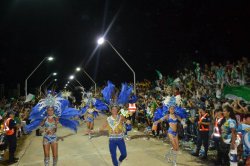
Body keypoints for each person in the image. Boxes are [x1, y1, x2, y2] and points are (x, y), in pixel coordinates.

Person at [25, 93, 80, 166]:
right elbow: (40, 129)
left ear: (54, 110)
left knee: (55, 156)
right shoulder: (44, 119)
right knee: (46, 156)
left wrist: (54, 128)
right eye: (48, 110)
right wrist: (44, 130)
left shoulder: (56, 118)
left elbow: (56, 129)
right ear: (46, 111)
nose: (50, 111)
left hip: (54, 138)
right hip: (46, 138)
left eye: (51, 110)